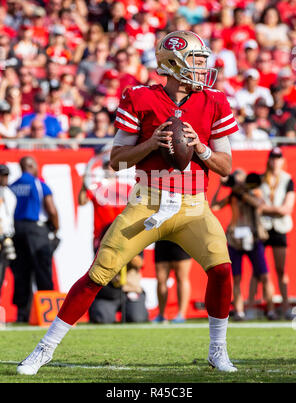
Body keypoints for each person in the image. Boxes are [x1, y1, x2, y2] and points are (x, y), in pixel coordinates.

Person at [17, 30, 240, 375]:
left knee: (222, 270)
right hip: (147, 201)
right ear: (172, 63)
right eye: (195, 61)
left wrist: (201, 148)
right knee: (98, 273)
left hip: (194, 204)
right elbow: (117, 161)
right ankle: (44, 349)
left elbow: (225, 167)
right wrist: (151, 143)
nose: (201, 68)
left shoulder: (214, 101)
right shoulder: (139, 97)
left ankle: (218, 350)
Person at [78, 158, 147, 324]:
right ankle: (105, 301)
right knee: (103, 273)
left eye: (111, 165)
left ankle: (132, 297)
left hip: (126, 235)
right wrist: (84, 182)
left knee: (132, 269)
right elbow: (82, 201)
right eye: (105, 165)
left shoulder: (128, 186)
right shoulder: (96, 186)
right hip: (102, 238)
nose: (109, 168)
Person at [211, 170, 276, 321]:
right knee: (236, 277)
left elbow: (259, 205)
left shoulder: (253, 192)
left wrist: (243, 193)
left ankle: (271, 310)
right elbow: (214, 206)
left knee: (265, 275)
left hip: (253, 238)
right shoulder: (233, 196)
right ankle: (239, 311)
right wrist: (222, 186)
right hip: (235, 240)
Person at [10, 156, 59, 322]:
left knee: (21, 273)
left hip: (16, 230)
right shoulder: (38, 184)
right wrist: (55, 227)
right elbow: (51, 209)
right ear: (32, 165)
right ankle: (48, 312)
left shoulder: (13, 186)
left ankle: (22, 314)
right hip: (36, 229)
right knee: (42, 269)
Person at [257, 147, 296, 319]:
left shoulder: (288, 180)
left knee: (281, 269)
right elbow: (257, 206)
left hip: (279, 228)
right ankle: (270, 307)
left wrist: (268, 209)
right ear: (268, 160)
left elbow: (287, 208)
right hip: (264, 228)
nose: (275, 161)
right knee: (262, 271)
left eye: (278, 158)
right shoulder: (260, 179)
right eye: (272, 157)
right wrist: (274, 209)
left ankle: (286, 305)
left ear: (282, 160)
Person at [153, 240, 192, 324]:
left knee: (182, 278)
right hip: (162, 239)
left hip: (181, 238)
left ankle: (181, 314)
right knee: (161, 279)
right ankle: (161, 315)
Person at [0, 164, 17, 295]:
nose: (4, 178)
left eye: (6, 175)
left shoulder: (10, 194)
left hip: (6, 237)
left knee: (2, 273)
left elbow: (9, 217)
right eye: (2, 175)